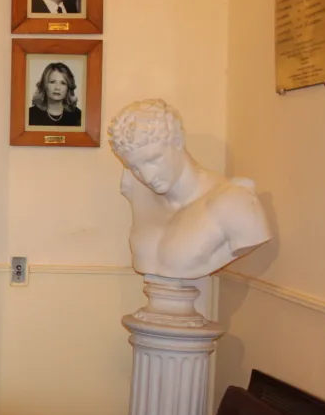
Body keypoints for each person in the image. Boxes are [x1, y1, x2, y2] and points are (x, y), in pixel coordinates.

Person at [108, 98, 271, 279]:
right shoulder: (136, 187)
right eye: (135, 168)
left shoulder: (233, 202)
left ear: (178, 140)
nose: (147, 177)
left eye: (153, 160)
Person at [28, 61, 81, 127]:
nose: (57, 88)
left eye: (63, 83)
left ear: (68, 88)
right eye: (52, 82)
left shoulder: (78, 116)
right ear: (44, 85)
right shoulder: (30, 114)